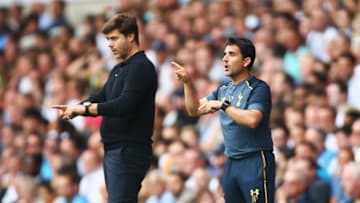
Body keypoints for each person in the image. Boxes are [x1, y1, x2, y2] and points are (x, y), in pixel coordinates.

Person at [52, 13, 158, 202]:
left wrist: (83, 110)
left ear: (131, 36)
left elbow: (124, 105)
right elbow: (101, 97)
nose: (109, 44)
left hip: (129, 150)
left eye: (114, 38)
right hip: (114, 150)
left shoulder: (141, 67)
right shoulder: (119, 69)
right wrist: (75, 107)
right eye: (108, 39)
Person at [172, 37, 275, 203]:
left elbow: (253, 120)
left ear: (246, 61)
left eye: (232, 54)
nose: (225, 58)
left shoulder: (258, 88)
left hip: (255, 160)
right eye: (225, 54)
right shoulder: (223, 89)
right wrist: (187, 83)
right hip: (232, 161)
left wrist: (223, 105)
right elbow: (194, 109)